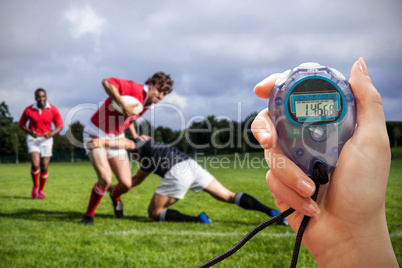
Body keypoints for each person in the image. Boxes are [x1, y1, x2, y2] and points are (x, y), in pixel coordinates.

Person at [250, 58, 398, 267]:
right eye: (307, 109)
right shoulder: (334, 92)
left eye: (321, 107)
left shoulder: (292, 94)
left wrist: (359, 237)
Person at [86, 137, 288, 225]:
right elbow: (135, 181)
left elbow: (128, 143)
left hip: (177, 171)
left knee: (153, 213)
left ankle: (197, 219)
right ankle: (273, 213)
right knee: (228, 196)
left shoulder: (143, 144)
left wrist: (102, 142)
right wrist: (114, 188)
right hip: (191, 166)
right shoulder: (149, 160)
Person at [80, 72, 174, 225]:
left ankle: (115, 196)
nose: (160, 95)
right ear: (151, 83)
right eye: (159, 89)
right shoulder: (134, 88)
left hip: (116, 139)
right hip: (95, 134)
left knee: (126, 184)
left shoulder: (148, 103)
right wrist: (123, 105)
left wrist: (135, 139)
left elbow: (129, 119)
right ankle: (88, 216)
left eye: (164, 93)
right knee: (105, 178)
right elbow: (107, 82)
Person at [19, 88, 64, 199]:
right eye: (39, 97)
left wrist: (51, 133)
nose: (41, 99)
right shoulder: (29, 109)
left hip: (47, 140)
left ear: (46, 97)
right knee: (35, 164)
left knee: (44, 167)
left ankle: (41, 190)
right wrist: (30, 132)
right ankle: (35, 187)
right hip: (33, 139)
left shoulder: (53, 109)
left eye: (43, 96)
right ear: (35, 98)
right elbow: (21, 124)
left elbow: (60, 126)